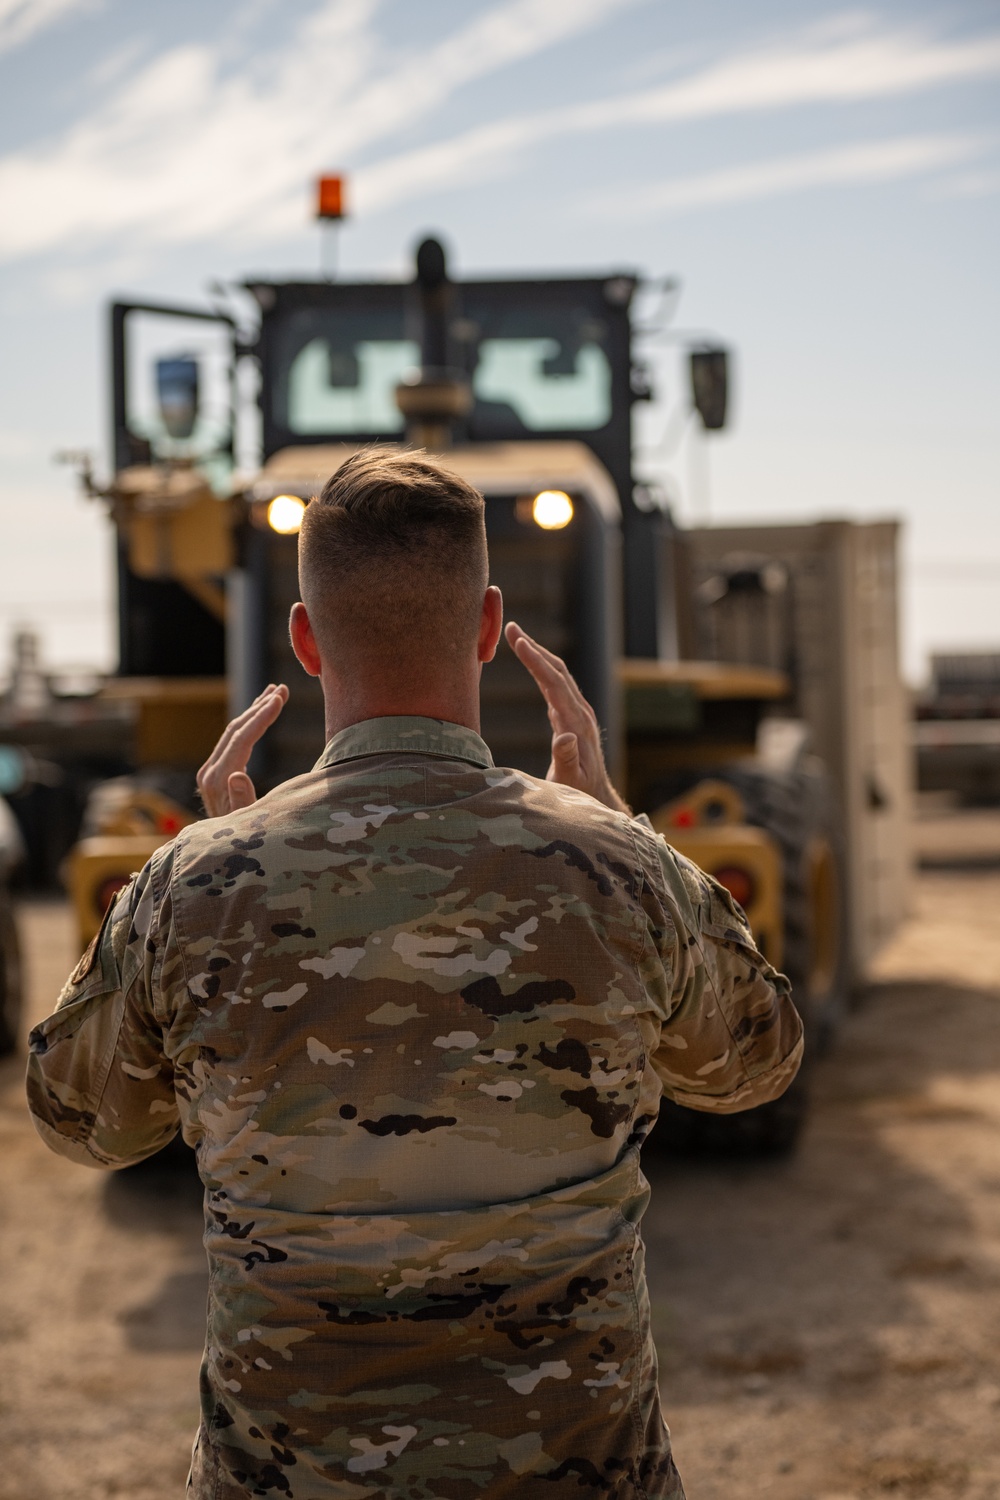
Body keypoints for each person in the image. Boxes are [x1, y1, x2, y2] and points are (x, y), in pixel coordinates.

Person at [27, 449, 802, 1500]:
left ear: (303, 641)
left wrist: (210, 880)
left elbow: (85, 1123)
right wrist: (621, 827)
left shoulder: (193, 885)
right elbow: (752, 1067)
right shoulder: (619, 868)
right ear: (488, 627)